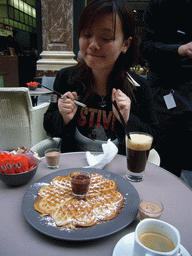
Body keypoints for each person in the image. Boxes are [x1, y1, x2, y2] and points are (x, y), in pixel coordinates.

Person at [44, 0, 158, 155]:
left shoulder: (140, 88)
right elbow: (48, 124)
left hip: (117, 172)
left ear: (125, 44)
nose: (93, 45)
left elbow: (152, 138)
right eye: (86, 34)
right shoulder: (65, 78)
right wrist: (63, 117)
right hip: (74, 171)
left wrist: (128, 119)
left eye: (105, 37)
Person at [140, 0, 192, 176]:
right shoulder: (158, 6)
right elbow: (146, 48)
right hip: (162, 90)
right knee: (164, 160)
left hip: (188, 92)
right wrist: (180, 49)